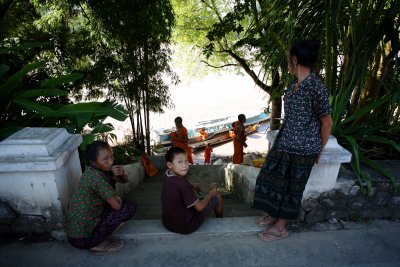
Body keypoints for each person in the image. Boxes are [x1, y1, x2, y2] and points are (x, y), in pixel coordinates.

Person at [252, 40, 333, 241]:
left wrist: (320, 150)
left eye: (289, 59)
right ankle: (274, 213)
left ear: (295, 60)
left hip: (305, 149)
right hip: (285, 141)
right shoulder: (293, 85)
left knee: (292, 188)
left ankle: (281, 226)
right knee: (271, 178)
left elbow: (327, 122)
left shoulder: (316, 87)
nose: (288, 63)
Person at [64, 140, 137, 255]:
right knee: (128, 208)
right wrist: (118, 199)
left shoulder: (94, 171)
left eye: (111, 157)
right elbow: (117, 206)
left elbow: (124, 180)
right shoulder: (97, 179)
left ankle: (96, 237)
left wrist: (122, 173)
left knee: (116, 204)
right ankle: (98, 244)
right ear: (94, 162)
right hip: (81, 240)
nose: (111, 161)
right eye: (105, 159)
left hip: (73, 234)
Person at [161, 147, 223, 234]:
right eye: (180, 162)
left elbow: (180, 178)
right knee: (218, 195)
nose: (185, 165)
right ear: (169, 165)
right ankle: (221, 222)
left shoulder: (167, 174)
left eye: (186, 161)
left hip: (168, 223)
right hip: (186, 226)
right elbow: (200, 208)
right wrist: (209, 195)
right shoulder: (182, 184)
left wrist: (192, 184)